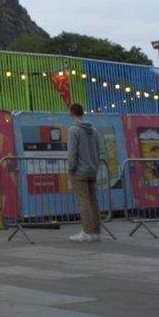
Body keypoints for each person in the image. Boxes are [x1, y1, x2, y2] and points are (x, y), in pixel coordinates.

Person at [67, 102, 102, 243]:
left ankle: (87, 231)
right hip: (92, 169)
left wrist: (71, 168)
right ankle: (96, 232)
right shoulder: (93, 130)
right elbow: (97, 150)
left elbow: (72, 152)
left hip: (79, 171)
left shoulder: (73, 130)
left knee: (83, 201)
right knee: (93, 201)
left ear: (70, 112)